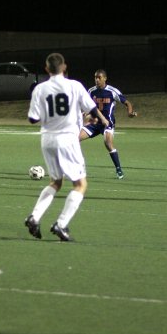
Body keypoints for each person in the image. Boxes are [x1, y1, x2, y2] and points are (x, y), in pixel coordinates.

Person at [25, 53, 108, 242]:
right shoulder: (75, 86)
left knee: (55, 181)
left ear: (47, 69)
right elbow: (92, 107)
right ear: (64, 67)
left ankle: (34, 217)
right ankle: (61, 224)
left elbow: (32, 118)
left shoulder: (40, 89)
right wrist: (99, 118)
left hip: (47, 140)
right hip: (67, 140)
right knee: (80, 184)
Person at [79, 69, 137, 179]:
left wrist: (129, 113)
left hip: (107, 123)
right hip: (94, 123)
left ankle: (118, 169)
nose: (97, 80)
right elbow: (87, 106)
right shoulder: (91, 91)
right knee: (75, 139)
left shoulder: (112, 91)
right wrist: (84, 113)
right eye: (95, 77)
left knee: (108, 143)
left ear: (105, 78)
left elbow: (127, 102)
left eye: (99, 77)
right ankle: (79, 167)